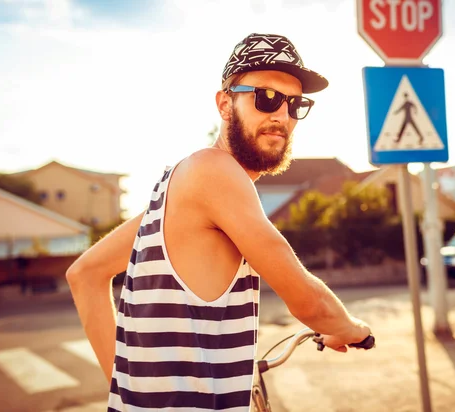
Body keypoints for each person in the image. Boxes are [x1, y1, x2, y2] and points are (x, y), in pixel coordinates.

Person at [66, 32, 373, 412]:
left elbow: (86, 274)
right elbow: (309, 302)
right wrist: (352, 328)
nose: (282, 115)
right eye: (267, 98)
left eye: (295, 104)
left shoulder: (176, 190)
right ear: (225, 104)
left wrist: (131, 393)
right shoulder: (214, 170)